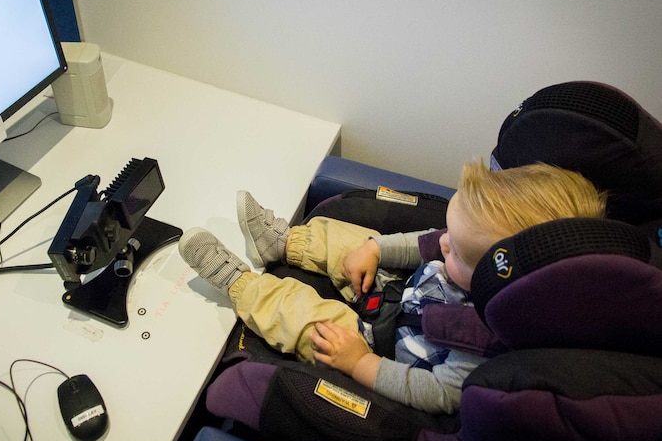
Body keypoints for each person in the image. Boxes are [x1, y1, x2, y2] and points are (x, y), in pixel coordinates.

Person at [178, 160, 606, 414]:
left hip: (376, 344)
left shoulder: (481, 345)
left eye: (455, 250)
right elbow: (420, 245)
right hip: (400, 292)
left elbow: (436, 393)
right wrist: (375, 250)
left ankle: (240, 283)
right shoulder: (464, 245)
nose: (442, 244)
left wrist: (359, 363)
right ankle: (285, 242)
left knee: (313, 324)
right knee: (353, 241)